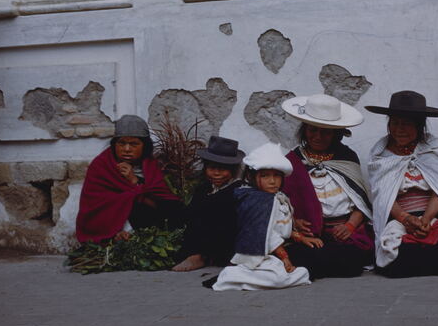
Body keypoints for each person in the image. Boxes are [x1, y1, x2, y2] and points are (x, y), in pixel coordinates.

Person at [365, 91, 438, 277]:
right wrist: (406, 219)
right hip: (399, 219)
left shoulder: (434, 149)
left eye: (407, 123)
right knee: (392, 252)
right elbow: (383, 195)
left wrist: (425, 220)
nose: (399, 129)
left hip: (430, 216)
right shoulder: (380, 154)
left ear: (420, 125)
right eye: (395, 123)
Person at [279, 94, 376, 279]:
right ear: (305, 130)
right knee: (303, 256)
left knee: (351, 262)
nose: (318, 137)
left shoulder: (347, 158)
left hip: (346, 234)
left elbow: (361, 202)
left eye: (326, 132)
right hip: (309, 237)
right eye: (313, 130)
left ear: (335, 134)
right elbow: (281, 203)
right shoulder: (292, 162)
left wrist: (350, 226)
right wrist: (295, 223)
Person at [209, 142, 318, 291]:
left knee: (313, 256)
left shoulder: (278, 196)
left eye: (277, 176)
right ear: (252, 177)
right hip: (260, 251)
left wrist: (301, 237)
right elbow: (266, 233)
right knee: (279, 277)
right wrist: (285, 258)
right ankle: (232, 275)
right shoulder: (257, 201)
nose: (272, 181)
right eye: (265, 176)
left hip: (279, 246)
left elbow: (280, 225)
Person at [75, 115, 185, 244]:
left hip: (146, 219)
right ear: (114, 145)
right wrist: (134, 195)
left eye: (134, 144)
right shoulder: (102, 166)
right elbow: (96, 205)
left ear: (144, 146)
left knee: (176, 208)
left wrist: (134, 181)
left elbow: (160, 196)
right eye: (121, 143)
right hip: (111, 221)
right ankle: (119, 236)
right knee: (133, 202)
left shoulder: (149, 165)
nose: (127, 149)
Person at [172, 136, 245, 272]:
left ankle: (205, 256)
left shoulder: (238, 190)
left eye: (223, 169)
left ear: (233, 170)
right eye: (212, 168)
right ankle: (196, 254)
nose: (216, 173)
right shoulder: (203, 188)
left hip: (226, 240)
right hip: (201, 236)